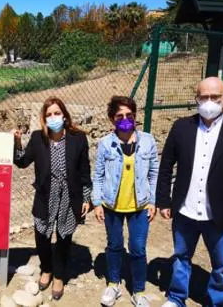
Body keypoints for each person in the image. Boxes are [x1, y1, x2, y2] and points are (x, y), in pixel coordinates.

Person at [157, 77, 223, 307]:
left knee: (221, 266)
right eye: (203, 97)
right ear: (196, 98)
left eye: (214, 96)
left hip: (220, 215)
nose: (209, 102)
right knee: (181, 258)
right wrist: (164, 200)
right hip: (185, 211)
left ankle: (217, 302)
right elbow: (166, 166)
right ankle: (176, 297)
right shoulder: (182, 127)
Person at [12, 96, 92, 301]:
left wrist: (86, 198)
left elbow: (85, 172)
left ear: (64, 116)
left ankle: (58, 276)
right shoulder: (39, 138)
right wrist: (17, 141)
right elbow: (21, 162)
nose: (53, 117)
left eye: (57, 113)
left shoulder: (78, 139)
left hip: (69, 195)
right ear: (44, 119)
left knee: (64, 237)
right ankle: (46, 269)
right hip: (45, 195)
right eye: (49, 115)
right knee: (42, 236)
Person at [92, 96, 159, 307]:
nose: (125, 119)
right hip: (112, 205)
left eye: (129, 115)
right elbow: (99, 175)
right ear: (113, 119)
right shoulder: (105, 144)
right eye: (119, 115)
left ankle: (138, 291)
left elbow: (154, 173)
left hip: (140, 206)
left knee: (138, 248)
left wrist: (153, 201)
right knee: (114, 246)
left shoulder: (148, 141)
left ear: (135, 116)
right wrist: (97, 202)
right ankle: (113, 284)